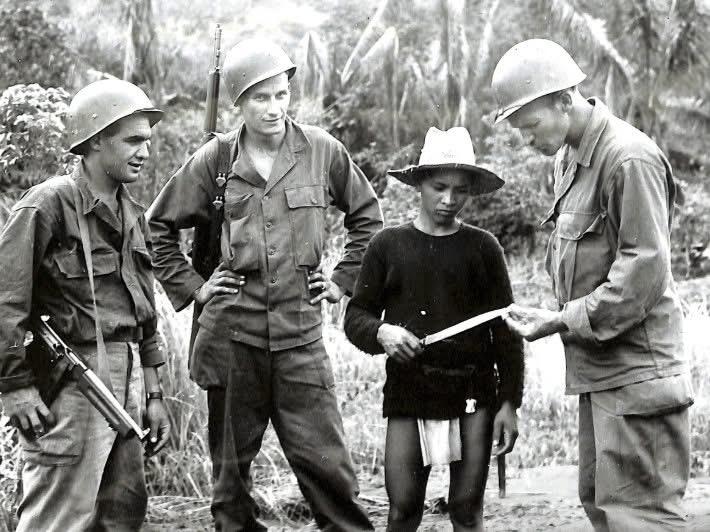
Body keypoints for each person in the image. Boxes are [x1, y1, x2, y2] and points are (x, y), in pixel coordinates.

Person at [147, 37, 381, 530]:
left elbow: (367, 216)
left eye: (281, 95)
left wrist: (342, 281)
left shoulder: (321, 150)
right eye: (260, 98)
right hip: (233, 339)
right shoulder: (215, 160)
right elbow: (156, 228)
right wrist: (195, 287)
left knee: (331, 475)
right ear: (239, 102)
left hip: (300, 338)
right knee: (230, 485)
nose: (274, 108)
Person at [491, 39, 694, 531]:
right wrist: (558, 316)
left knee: (640, 518)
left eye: (530, 125)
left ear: (565, 100)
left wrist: (561, 320)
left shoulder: (628, 159)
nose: (526, 140)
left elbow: (641, 274)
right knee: (603, 508)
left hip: (637, 377)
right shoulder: (569, 160)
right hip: (601, 371)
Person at [0, 79, 171, 531]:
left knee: (122, 512)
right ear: (95, 141)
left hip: (127, 377)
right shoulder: (48, 204)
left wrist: (153, 394)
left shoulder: (132, 213)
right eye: (133, 141)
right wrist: (15, 386)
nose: (145, 152)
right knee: (59, 517)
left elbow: (144, 315)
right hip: (71, 379)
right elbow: (5, 300)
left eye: (147, 141)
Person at [344, 127, 524, 531]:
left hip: (474, 392)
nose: (449, 200)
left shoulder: (483, 248)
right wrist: (383, 333)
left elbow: (506, 331)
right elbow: (356, 317)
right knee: (403, 507)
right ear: (419, 184)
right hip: (410, 389)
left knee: (466, 508)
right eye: (439, 187)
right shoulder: (387, 245)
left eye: (460, 190)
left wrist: (509, 402)